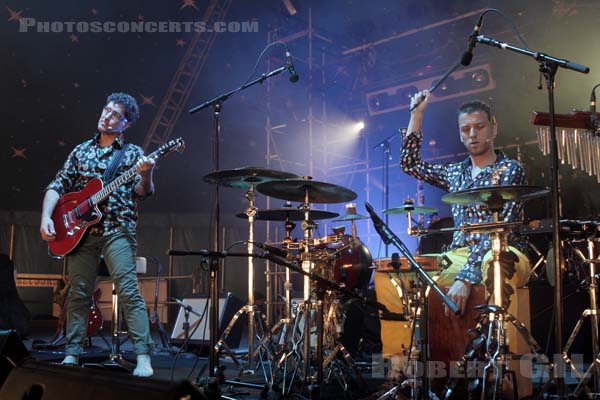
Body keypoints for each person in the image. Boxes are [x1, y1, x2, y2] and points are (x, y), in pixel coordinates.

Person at [40, 92, 155, 377]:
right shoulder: (80, 151)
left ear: (125, 124)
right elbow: (57, 185)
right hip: (81, 233)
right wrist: (46, 217)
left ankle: (143, 357)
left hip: (118, 228)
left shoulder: (132, 154)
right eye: (106, 110)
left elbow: (144, 192)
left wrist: (146, 173)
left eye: (116, 114)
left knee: (128, 291)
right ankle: (72, 353)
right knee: (78, 294)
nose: (107, 116)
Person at [400, 90, 531, 317]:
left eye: (479, 127)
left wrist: (465, 278)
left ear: (494, 128)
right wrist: (417, 115)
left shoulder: (509, 170)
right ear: (460, 135)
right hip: (460, 254)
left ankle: (498, 346)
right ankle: (403, 351)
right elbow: (410, 164)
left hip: (504, 252)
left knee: (495, 264)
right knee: (398, 272)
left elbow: (496, 232)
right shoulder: (455, 172)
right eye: (465, 129)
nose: (472, 134)